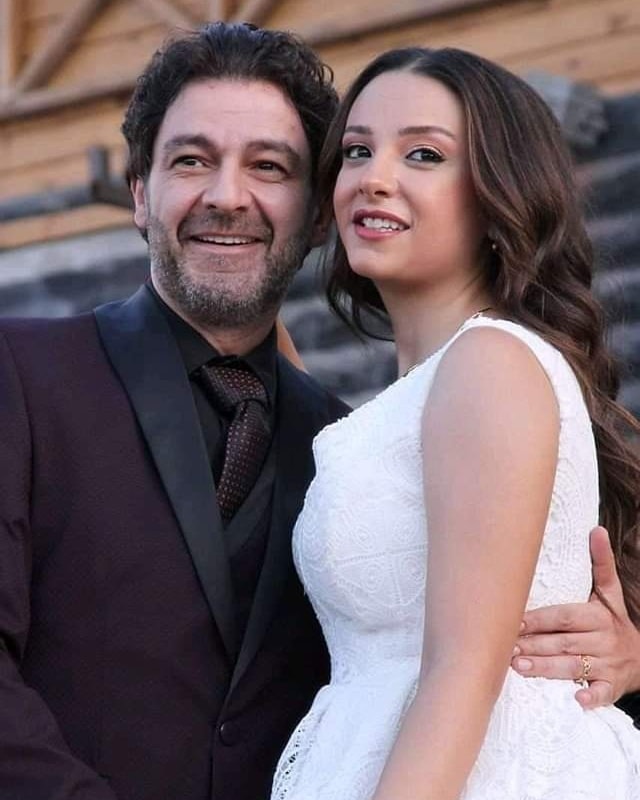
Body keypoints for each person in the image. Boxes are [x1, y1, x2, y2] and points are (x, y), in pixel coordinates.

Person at [269, 47, 640, 800]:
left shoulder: (489, 363)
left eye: (424, 154)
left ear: (498, 195)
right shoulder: (421, 394)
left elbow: (462, 673)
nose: (374, 177)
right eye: (357, 151)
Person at [0, 22, 347, 800]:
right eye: (191, 160)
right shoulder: (17, 373)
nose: (226, 196)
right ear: (138, 194)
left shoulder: (345, 444)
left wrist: (609, 657)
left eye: (268, 166)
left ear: (317, 215)